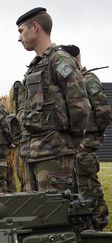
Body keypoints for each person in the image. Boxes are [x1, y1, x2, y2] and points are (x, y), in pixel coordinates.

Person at [15, 7, 90, 192]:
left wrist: (69, 143)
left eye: (21, 31)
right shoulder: (35, 66)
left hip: (55, 156)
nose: (19, 38)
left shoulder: (59, 61)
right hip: (34, 155)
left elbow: (80, 105)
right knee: (35, 217)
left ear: (35, 27)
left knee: (53, 216)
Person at [60, 44, 111, 231]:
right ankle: (84, 225)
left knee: (88, 186)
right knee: (75, 188)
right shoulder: (71, 82)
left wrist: (94, 135)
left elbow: (104, 111)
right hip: (73, 145)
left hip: (86, 143)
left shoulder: (88, 80)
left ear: (75, 59)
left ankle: (98, 227)